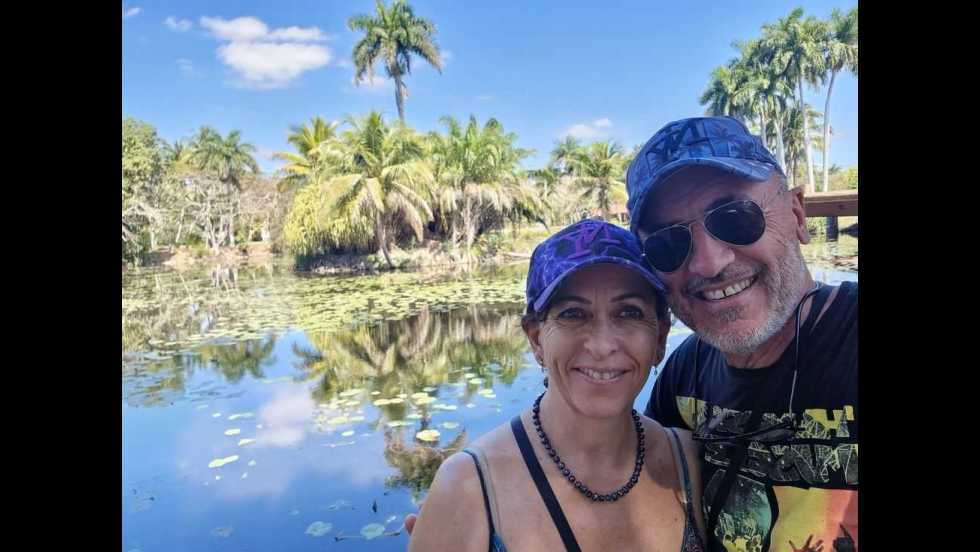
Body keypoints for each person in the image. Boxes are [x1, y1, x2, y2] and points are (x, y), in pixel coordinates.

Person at [626, 116, 857, 552]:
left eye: (735, 218)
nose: (708, 263)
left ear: (797, 215)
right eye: (668, 243)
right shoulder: (685, 372)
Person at [408, 219, 707, 551]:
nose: (602, 345)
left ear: (660, 338)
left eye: (629, 313)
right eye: (573, 314)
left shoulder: (688, 461)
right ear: (536, 339)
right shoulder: (468, 490)